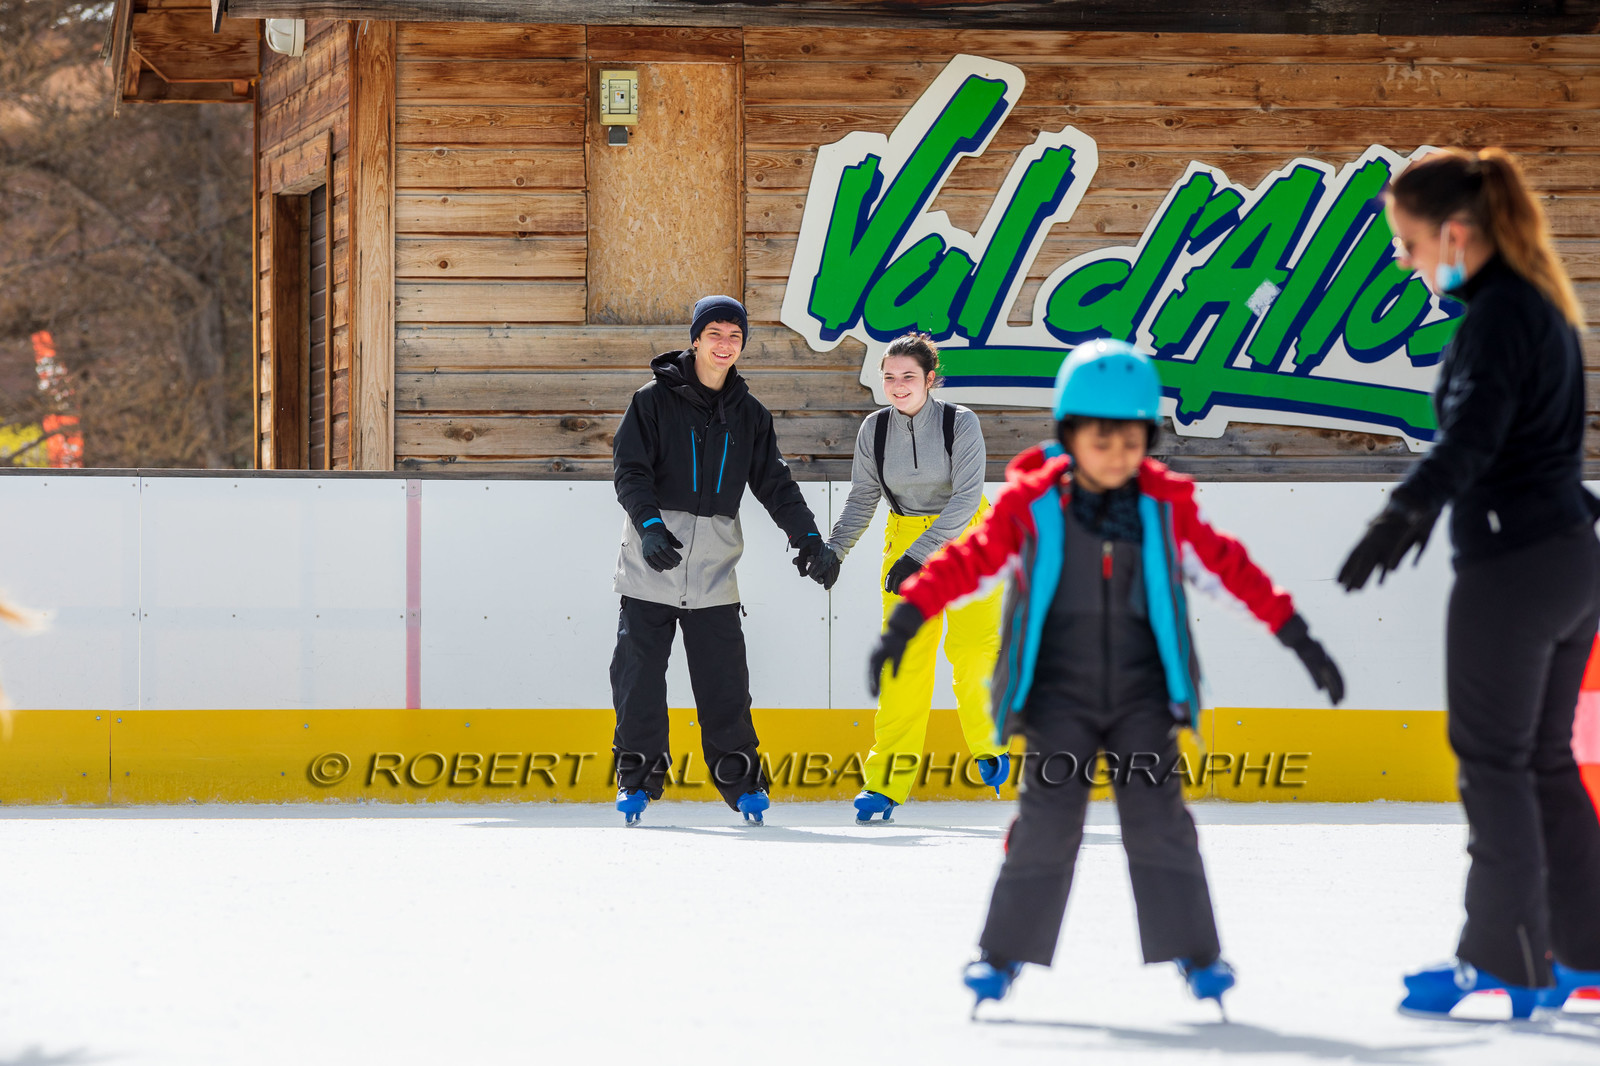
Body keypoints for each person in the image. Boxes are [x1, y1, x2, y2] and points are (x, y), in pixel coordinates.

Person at [867, 339, 1345, 1014]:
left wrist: (1294, 632)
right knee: (1045, 824)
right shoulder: (1033, 506)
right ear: (1069, 435)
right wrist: (909, 618)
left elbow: (1230, 569)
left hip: (1141, 698)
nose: (1117, 453)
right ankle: (1000, 954)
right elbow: (970, 562)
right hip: (1059, 698)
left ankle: (1197, 952)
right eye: (1100, 439)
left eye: (1131, 440)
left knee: (1160, 823)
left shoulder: (1163, 508)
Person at [1337, 148, 1600, 1018]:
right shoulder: (1543, 308)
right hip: (1570, 558)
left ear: (1456, 233)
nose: (1404, 260)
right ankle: (1584, 955)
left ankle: (1503, 959)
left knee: (1494, 764)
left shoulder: (1496, 319)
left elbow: (1473, 434)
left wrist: (1404, 512)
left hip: (1513, 568)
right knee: (1543, 761)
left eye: (1408, 242)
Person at [610, 294, 838, 827]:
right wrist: (649, 527)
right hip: (651, 564)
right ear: (695, 339)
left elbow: (775, 484)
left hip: (714, 572)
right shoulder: (652, 401)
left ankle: (744, 784)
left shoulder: (750, 414)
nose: (724, 344)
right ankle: (636, 781)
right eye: (714, 333)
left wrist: (808, 539)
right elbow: (630, 471)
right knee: (638, 680)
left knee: (725, 685)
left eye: (735, 336)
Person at [817, 333, 1007, 824]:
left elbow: (966, 499)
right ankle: (884, 783)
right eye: (889, 377)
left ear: (930, 379)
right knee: (904, 665)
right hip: (904, 539)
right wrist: (835, 550)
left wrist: (921, 556)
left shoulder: (959, 422)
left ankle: (990, 744)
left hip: (967, 540)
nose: (898, 386)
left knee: (972, 652)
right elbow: (863, 497)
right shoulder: (874, 429)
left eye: (908, 377)